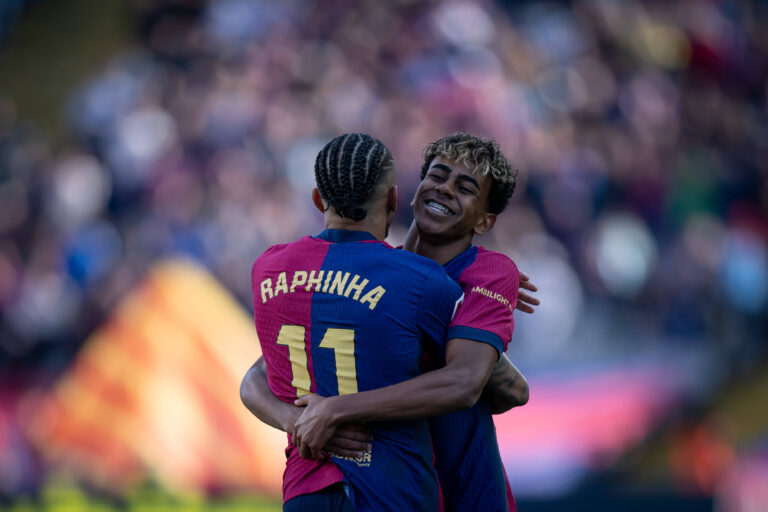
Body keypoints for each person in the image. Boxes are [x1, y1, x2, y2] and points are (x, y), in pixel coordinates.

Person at [243, 132, 536, 511]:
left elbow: (501, 389)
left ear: (484, 221)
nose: (445, 189)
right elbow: (257, 373)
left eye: (465, 188)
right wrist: (298, 419)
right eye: (437, 176)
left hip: (469, 493)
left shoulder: (488, 271)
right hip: (398, 488)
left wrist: (333, 410)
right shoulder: (387, 277)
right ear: (404, 196)